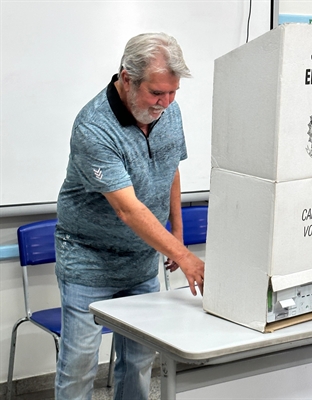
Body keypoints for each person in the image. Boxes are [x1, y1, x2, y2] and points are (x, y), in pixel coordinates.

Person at [54, 32, 204, 400]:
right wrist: (185, 257)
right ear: (126, 78)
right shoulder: (93, 127)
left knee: (138, 363)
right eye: (156, 93)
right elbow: (128, 209)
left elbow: (171, 169)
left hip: (140, 261)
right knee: (79, 369)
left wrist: (177, 238)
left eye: (172, 93)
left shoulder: (169, 111)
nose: (165, 103)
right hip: (88, 261)